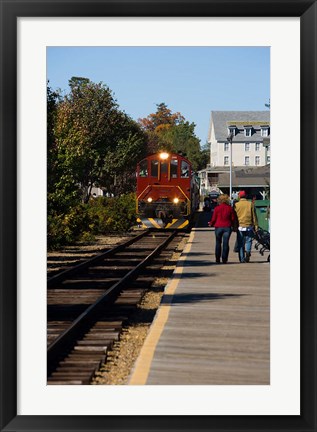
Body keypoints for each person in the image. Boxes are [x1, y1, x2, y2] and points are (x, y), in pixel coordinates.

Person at [208, 194, 237, 264]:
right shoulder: (230, 208)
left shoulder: (217, 208)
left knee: (218, 243)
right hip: (227, 227)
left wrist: (211, 223)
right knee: (226, 243)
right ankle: (224, 259)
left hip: (218, 227)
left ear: (219, 200)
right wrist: (234, 226)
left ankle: (217, 259)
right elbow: (233, 218)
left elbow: (214, 218)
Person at [234, 191, 258, 263]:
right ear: (245, 196)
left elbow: (234, 217)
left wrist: (234, 226)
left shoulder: (236, 205)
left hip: (240, 226)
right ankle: (248, 252)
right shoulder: (250, 204)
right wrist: (256, 225)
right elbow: (254, 216)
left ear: (239, 196)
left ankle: (242, 258)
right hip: (249, 225)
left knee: (240, 242)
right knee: (248, 241)